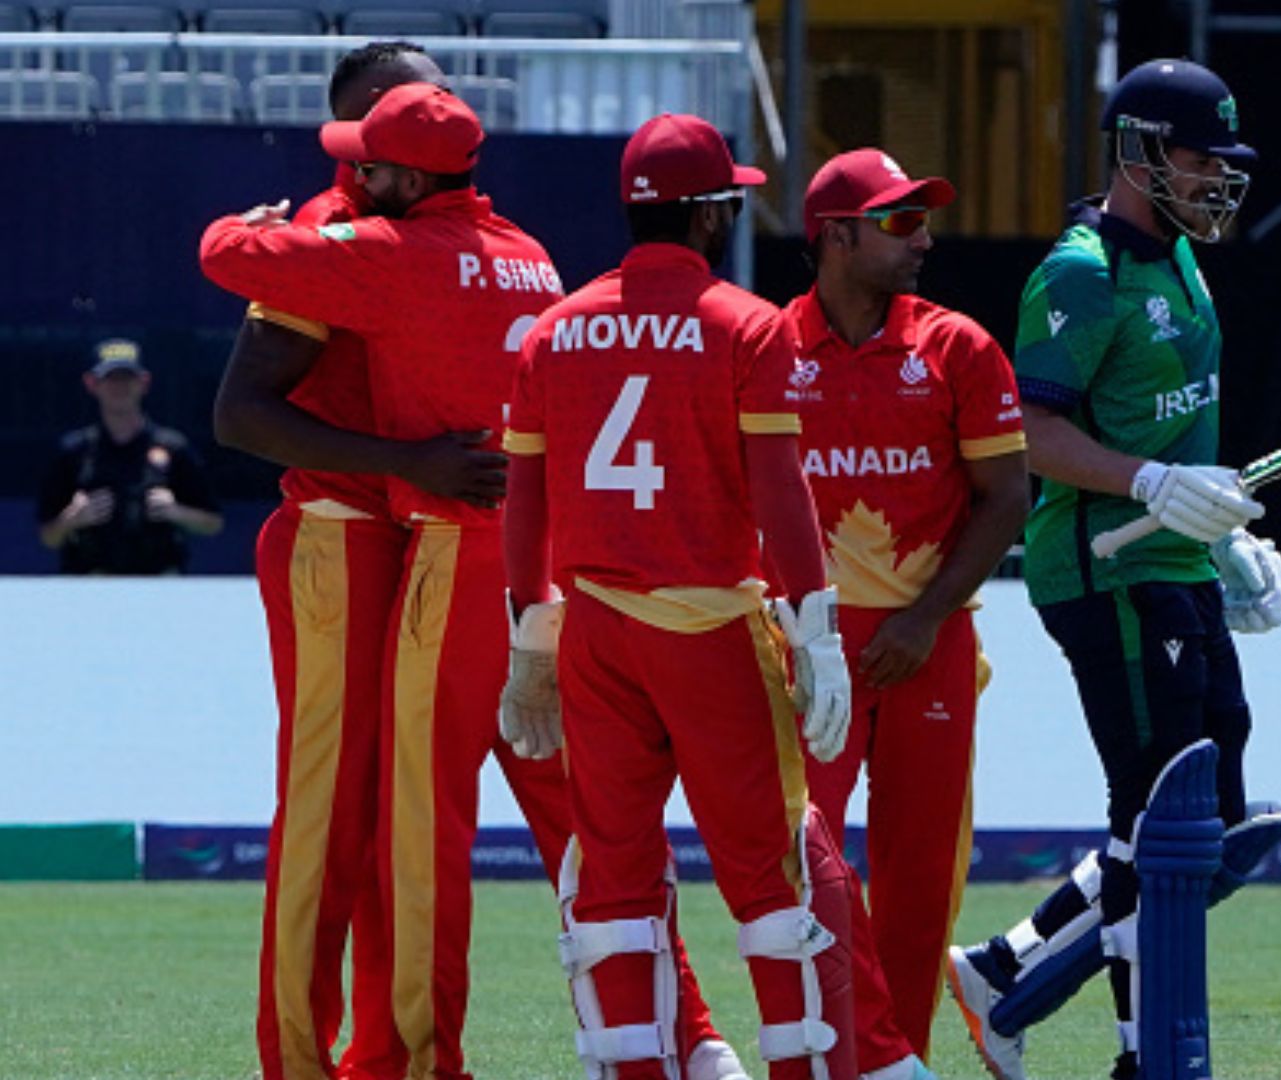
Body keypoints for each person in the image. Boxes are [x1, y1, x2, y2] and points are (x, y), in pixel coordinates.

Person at [206, 47, 740, 1080]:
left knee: (412, 819)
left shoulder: (349, 243)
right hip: (417, 538)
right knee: (477, 810)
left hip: (418, 541)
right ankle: (677, 1033)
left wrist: (411, 465)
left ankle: (384, 1058)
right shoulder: (501, 247)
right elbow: (242, 413)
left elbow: (235, 364)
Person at [944, 59, 1281, 1080]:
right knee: (1161, 821)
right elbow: (1025, 427)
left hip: (1172, 560)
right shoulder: (1083, 271)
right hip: (1103, 568)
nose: (1216, 180)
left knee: (1205, 814)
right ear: (1139, 150)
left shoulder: (1179, 257)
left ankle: (1004, 968)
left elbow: (1177, 424)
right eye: (1198, 159)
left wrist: (1225, 534)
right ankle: (1141, 1054)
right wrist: (1146, 484)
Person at [496, 112, 864, 1080]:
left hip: (595, 634)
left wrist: (530, 639)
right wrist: (816, 628)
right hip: (707, 628)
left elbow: (521, 502)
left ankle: (635, 1069)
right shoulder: (748, 324)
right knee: (766, 870)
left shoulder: (556, 329)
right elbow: (783, 493)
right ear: (708, 214)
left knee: (613, 872)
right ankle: (799, 1069)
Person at [785, 148, 1029, 1071]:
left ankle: (898, 1058)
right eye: (898, 222)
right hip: (813, 644)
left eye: (922, 220)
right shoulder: (772, 346)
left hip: (929, 637)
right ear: (836, 236)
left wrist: (925, 618)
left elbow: (1006, 498)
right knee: (808, 864)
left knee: (922, 880)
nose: (922, 238)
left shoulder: (958, 346)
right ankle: (849, 1052)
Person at [37, 338, 222, 574]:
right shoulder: (73, 452)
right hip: (89, 585)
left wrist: (176, 511)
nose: (119, 386)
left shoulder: (174, 448)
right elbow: (48, 537)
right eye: (110, 378)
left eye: (127, 378)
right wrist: (73, 518)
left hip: (161, 587)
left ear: (144, 382)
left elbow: (213, 523)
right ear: (92, 384)